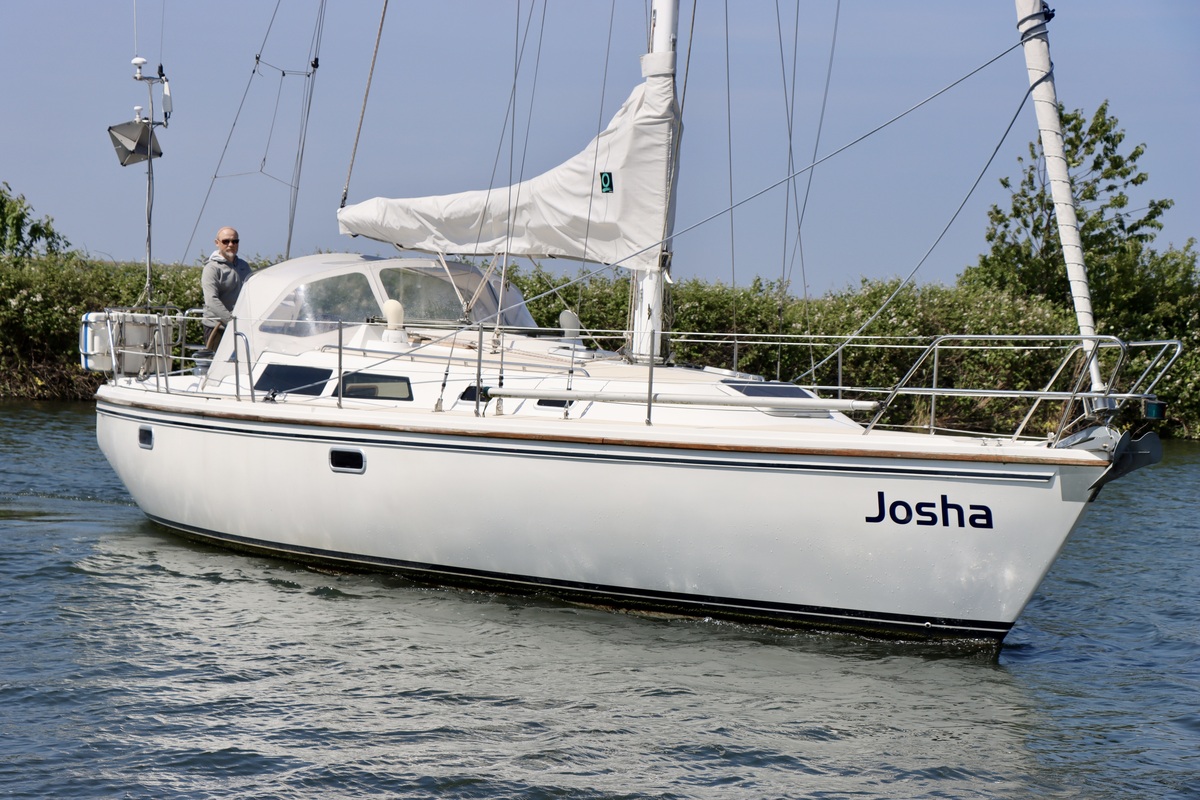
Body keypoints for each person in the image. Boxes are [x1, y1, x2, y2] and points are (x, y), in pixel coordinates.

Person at [201, 227, 253, 349]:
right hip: (217, 328)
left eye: (235, 241)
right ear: (217, 243)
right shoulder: (211, 268)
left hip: (241, 326)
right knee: (219, 360)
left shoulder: (244, 266)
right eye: (226, 241)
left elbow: (252, 293)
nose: (231, 245)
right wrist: (231, 321)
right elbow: (211, 300)